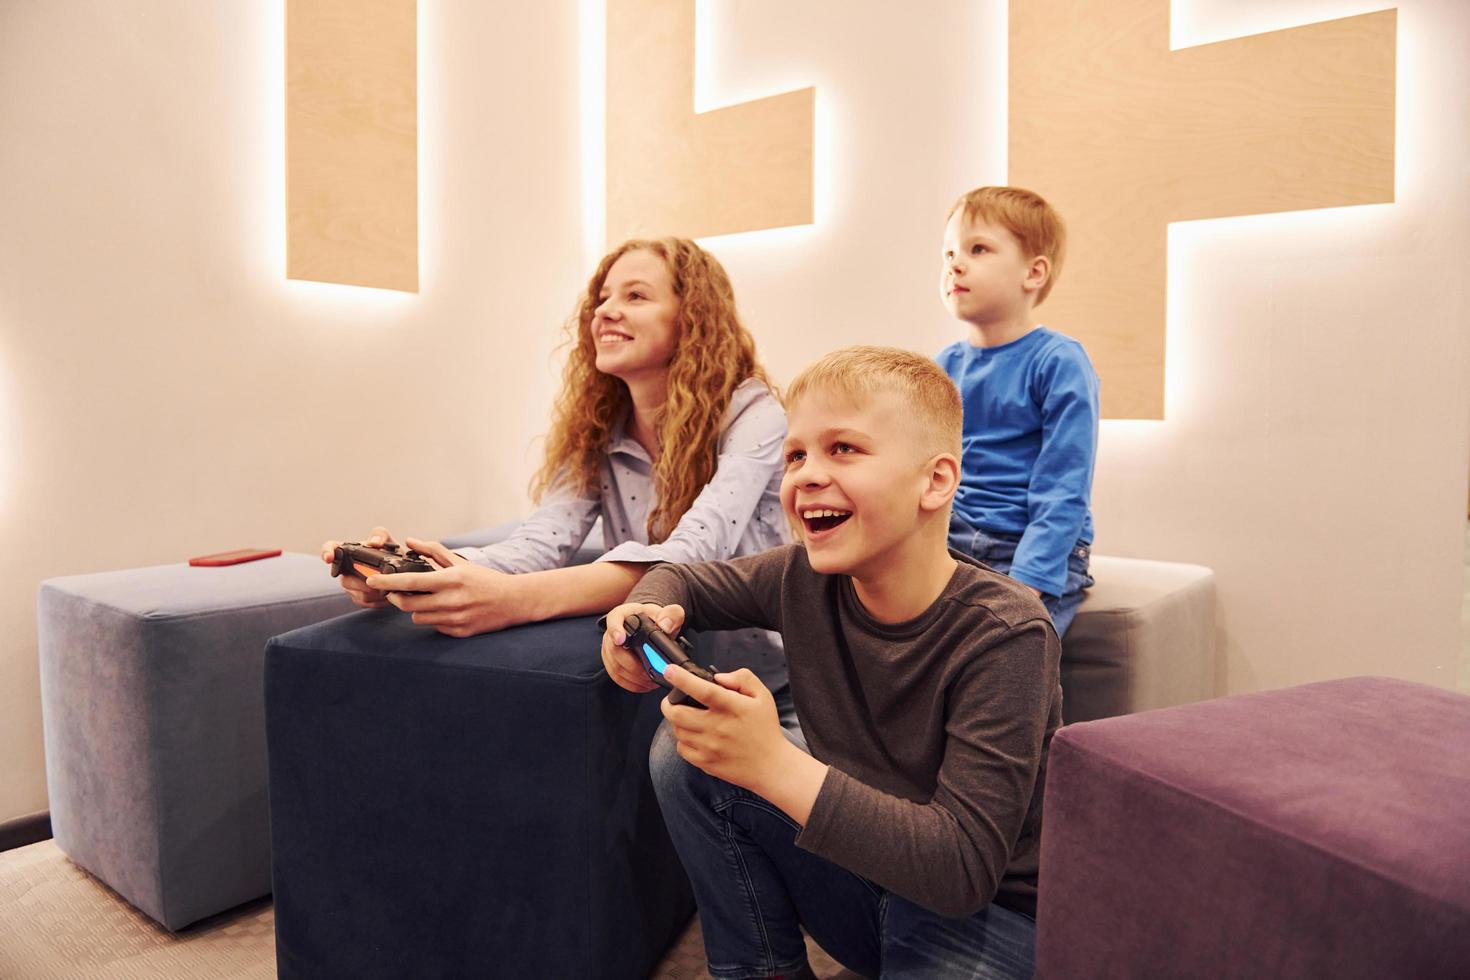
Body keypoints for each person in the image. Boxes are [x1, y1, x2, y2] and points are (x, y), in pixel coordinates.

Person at [601, 347, 1062, 979]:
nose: (806, 475)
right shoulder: (800, 577)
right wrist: (641, 611)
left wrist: (771, 762)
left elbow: (961, 872)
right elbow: (682, 577)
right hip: (868, 881)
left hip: (986, 919)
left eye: (843, 448)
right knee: (686, 752)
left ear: (936, 481)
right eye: (796, 455)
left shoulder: (1006, 633)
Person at [322, 238, 790, 688]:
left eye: (636, 295)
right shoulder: (600, 426)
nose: (605, 310)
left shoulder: (754, 413)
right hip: (654, 677)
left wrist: (513, 601)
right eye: (603, 298)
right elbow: (541, 542)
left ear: (693, 317)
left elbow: (693, 553)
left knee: (671, 768)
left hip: (763, 682)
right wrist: (432, 570)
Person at [936, 185, 1100, 636]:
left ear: (1034, 272)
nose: (955, 264)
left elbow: (1064, 485)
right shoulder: (943, 366)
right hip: (950, 542)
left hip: (1024, 547)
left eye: (978, 248)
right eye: (948, 253)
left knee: (1003, 657)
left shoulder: (1058, 361)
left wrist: (1026, 583)